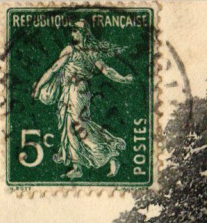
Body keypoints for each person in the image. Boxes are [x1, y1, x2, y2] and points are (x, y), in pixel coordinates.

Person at [32, 20, 133, 179]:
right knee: (70, 127)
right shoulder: (86, 52)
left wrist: (38, 87)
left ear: (84, 33)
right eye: (72, 30)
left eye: (75, 30)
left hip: (75, 91)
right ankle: (77, 167)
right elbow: (106, 70)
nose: (72, 33)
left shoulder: (73, 50)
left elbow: (54, 69)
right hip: (72, 91)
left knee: (78, 125)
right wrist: (123, 78)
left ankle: (109, 155)